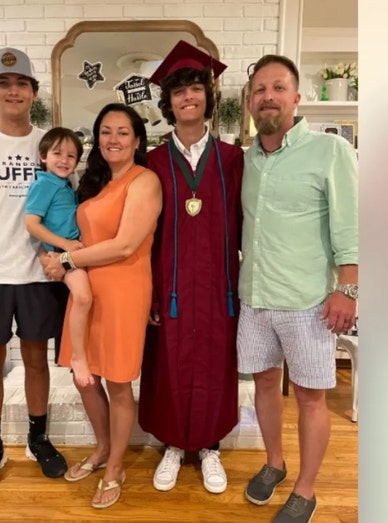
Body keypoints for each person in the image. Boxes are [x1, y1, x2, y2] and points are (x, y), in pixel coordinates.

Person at [238, 54, 358, 523]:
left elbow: (351, 226)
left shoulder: (331, 152)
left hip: (309, 301)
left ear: (296, 97)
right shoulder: (246, 159)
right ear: (250, 103)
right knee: (265, 385)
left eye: (277, 88)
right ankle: (274, 462)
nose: (267, 96)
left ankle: (305, 489)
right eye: (259, 90)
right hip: (255, 297)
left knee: (310, 396)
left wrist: (347, 289)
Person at [42, 103, 162, 509]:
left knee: (117, 379)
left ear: (138, 140)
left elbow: (126, 244)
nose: (113, 139)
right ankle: (102, 447)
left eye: (123, 132)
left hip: (124, 288)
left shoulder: (144, 181)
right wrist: (54, 256)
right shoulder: (93, 184)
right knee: (83, 376)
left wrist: (67, 261)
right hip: (85, 292)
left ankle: (115, 466)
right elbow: (69, 232)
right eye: (106, 131)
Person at [0, 47, 69, 497]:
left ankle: (38, 438)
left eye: (21, 84)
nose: (13, 91)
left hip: (37, 272)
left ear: (33, 92)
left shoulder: (49, 145)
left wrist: (63, 257)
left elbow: (64, 209)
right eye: (3, 84)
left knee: (35, 359)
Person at [139, 40, 244, 495]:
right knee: (168, 362)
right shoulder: (153, 162)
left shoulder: (233, 159)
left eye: (196, 88)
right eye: (179, 90)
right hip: (172, 283)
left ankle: (210, 446)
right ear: (169, 101)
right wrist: (150, 291)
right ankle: (173, 445)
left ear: (207, 96)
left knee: (217, 361)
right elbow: (143, 234)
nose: (188, 97)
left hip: (219, 284)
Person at [24, 128, 95, 387]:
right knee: (84, 297)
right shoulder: (44, 184)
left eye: (71, 155)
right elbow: (32, 223)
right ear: (43, 156)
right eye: (57, 154)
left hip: (73, 252)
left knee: (86, 300)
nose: (64, 160)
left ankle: (82, 353)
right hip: (64, 255)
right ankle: (78, 357)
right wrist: (64, 245)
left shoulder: (64, 183)